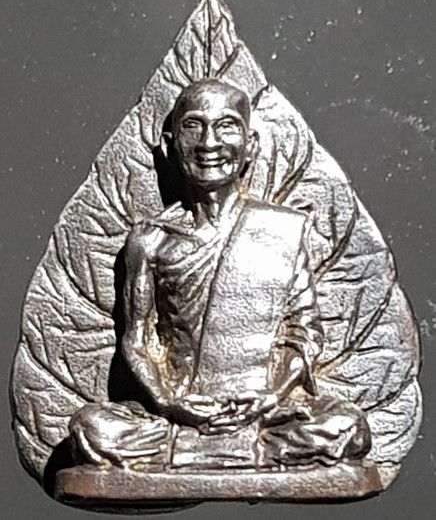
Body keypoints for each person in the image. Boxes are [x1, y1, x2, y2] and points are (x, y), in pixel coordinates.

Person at [69, 79, 371, 470]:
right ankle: (237, 454)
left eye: (227, 126)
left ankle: (204, 454)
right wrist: (168, 402)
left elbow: (303, 334)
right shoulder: (150, 240)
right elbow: (138, 339)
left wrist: (271, 395)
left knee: (347, 427)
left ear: (251, 145)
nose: (208, 143)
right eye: (193, 126)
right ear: (170, 145)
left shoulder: (283, 229)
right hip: (177, 411)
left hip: (264, 411)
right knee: (90, 428)